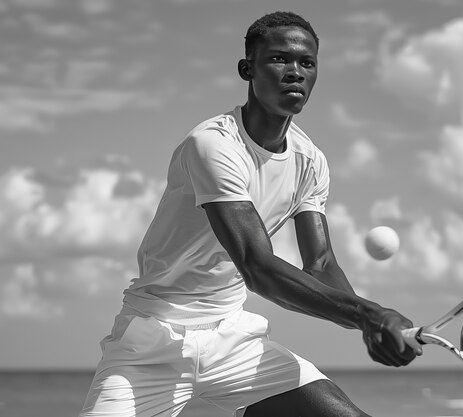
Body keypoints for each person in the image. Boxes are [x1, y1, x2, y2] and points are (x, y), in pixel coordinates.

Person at [80, 11, 419, 417]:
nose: (295, 72)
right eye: (279, 59)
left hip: (232, 339)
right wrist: (369, 316)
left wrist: (375, 324)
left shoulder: (310, 161)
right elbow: (257, 266)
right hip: (154, 338)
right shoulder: (213, 145)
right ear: (247, 69)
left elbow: (321, 263)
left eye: (307, 63)